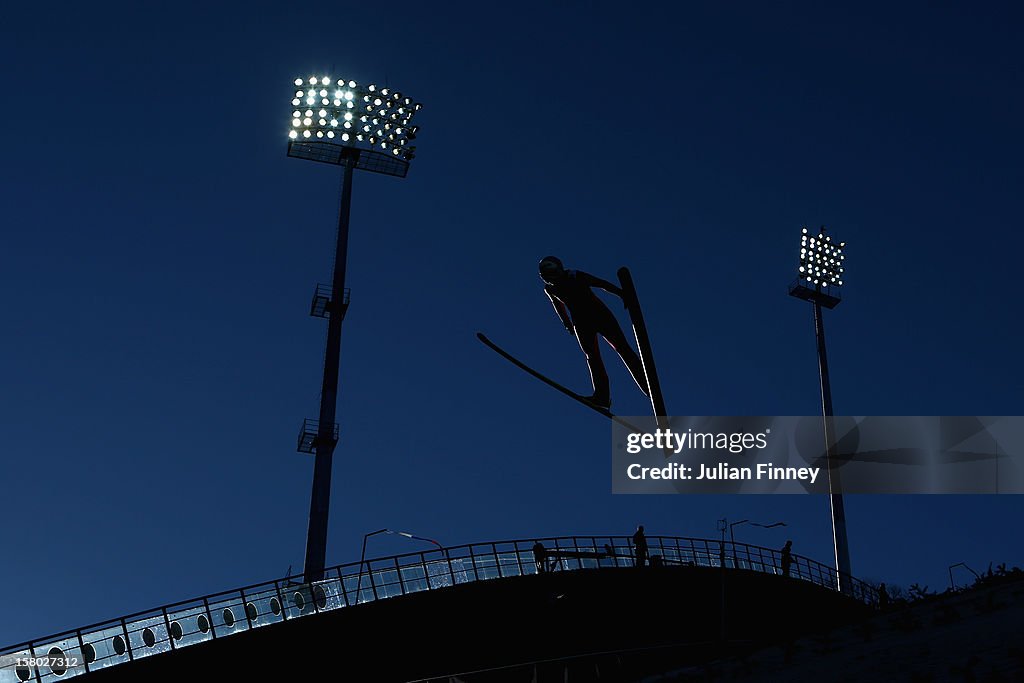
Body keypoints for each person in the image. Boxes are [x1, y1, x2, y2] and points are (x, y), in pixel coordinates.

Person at [538, 256, 649, 409]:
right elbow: (557, 304)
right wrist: (566, 323)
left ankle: (646, 383)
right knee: (593, 357)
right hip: (582, 324)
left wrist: (620, 293)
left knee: (622, 348)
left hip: (599, 315)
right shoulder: (550, 288)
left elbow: (599, 283)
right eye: (546, 276)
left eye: (551, 274)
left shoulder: (573, 275)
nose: (550, 279)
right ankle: (602, 396)